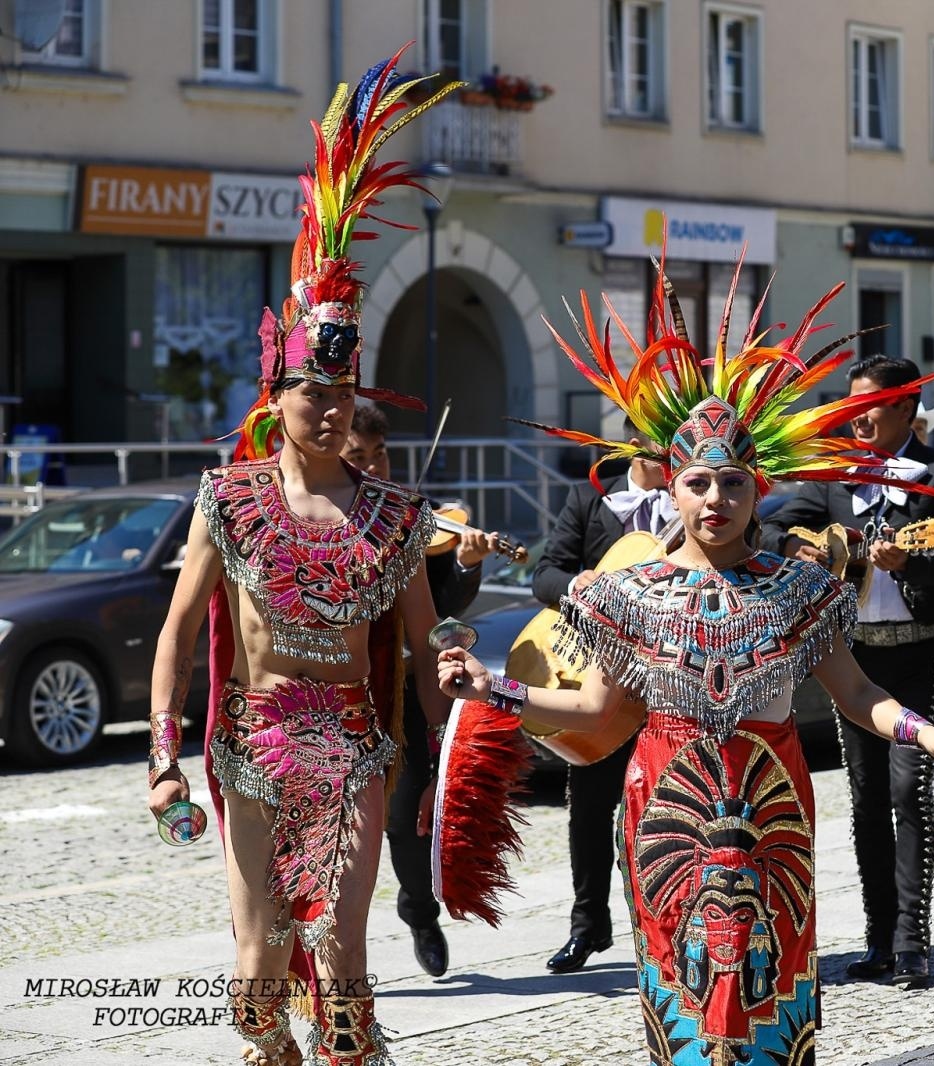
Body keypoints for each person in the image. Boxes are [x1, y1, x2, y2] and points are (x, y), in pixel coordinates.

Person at [435, 261, 934, 1066]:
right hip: (667, 817)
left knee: (768, 1001)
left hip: (774, 817)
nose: (715, 498)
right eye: (698, 482)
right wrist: (496, 691)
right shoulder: (626, 594)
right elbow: (594, 715)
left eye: (731, 482)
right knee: (687, 1002)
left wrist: (922, 731)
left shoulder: (801, 589)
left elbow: (856, 692)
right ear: (673, 489)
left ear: (757, 489)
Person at [145, 50, 460, 1065]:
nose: (326, 410)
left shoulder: (393, 517)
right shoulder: (227, 501)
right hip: (253, 747)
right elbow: (180, 629)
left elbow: (423, 639)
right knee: (257, 971)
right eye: (307, 394)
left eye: (340, 392)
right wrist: (161, 758)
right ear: (274, 397)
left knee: (341, 947)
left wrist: (451, 696)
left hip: (356, 748)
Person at [763, 354, 934, 990]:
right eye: (850, 406)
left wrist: (907, 563)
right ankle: (879, 936)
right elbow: (767, 527)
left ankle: (913, 940)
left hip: (917, 652)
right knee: (865, 800)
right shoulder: (833, 477)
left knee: (908, 791)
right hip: (854, 656)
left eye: (871, 406)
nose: (857, 417)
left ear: (907, 409)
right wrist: (801, 546)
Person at [343, 402, 498, 978]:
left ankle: (418, 910)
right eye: (358, 456)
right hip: (334, 687)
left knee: (406, 808)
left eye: (379, 454)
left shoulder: (410, 517)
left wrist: (466, 565)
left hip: (400, 690)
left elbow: (440, 609)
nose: (373, 466)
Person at [530, 430, 675, 974]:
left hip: (670, 684)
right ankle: (587, 925)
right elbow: (545, 573)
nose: (666, 457)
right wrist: (577, 584)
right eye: (656, 445)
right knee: (589, 810)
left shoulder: (697, 502)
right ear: (631, 443)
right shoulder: (589, 500)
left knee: (665, 815)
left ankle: (663, 926)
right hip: (601, 682)